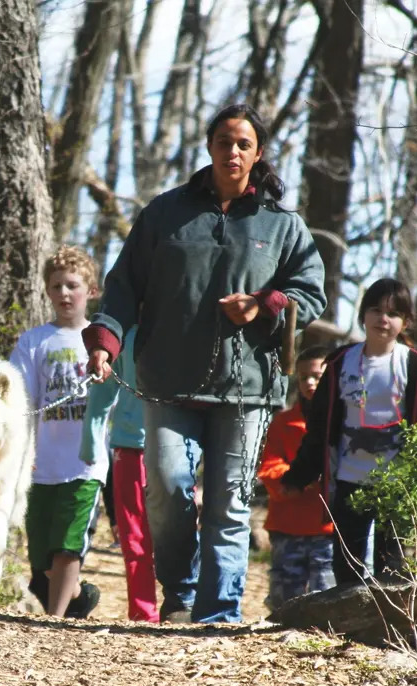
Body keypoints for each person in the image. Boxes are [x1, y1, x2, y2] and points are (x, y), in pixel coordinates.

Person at [83, 103, 327, 624]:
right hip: (167, 381)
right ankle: (184, 592)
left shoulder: (282, 226)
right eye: (224, 141)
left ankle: (218, 614)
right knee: (168, 490)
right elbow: (124, 284)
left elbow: (311, 294)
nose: (232, 152)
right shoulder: (166, 214)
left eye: (243, 144)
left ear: (258, 153)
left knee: (228, 505)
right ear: (210, 147)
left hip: (247, 389)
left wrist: (265, 304)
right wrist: (104, 340)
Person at [281, 278, 417, 586]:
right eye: (375, 310)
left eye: (393, 313)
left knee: (392, 567)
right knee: (347, 565)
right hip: (349, 480)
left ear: (406, 321)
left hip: (398, 487)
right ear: (363, 316)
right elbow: (320, 427)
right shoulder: (342, 363)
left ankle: (385, 629)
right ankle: (346, 630)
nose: (383, 319)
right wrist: (299, 474)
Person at [11, 245, 106, 618]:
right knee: (42, 563)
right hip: (41, 464)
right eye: (56, 287)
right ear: (47, 292)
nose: (64, 294)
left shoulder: (103, 342)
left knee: (69, 547)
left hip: (86, 463)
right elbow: (20, 400)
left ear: (91, 291)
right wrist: (24, 453)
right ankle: (80, 597)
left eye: (72, 285)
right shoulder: (34, 342)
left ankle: (54, 624)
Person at [81, 326, 159, 622]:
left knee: (176, 532)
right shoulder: (122, 333)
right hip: (129, 445)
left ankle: (182, 603)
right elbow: (102, 392)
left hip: (178, 443)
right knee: (134, 536)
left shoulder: (185, 326)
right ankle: (144, 613)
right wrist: (91, 442)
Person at [257, 345, 335, 610]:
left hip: (329, 532)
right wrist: (298, 480)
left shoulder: (345, 423)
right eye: (303, 377)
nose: (310, 383)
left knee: (329, 601)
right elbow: (269, 468)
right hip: (288, 528)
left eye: (317, 375)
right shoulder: (283, 423)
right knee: (283, 604)